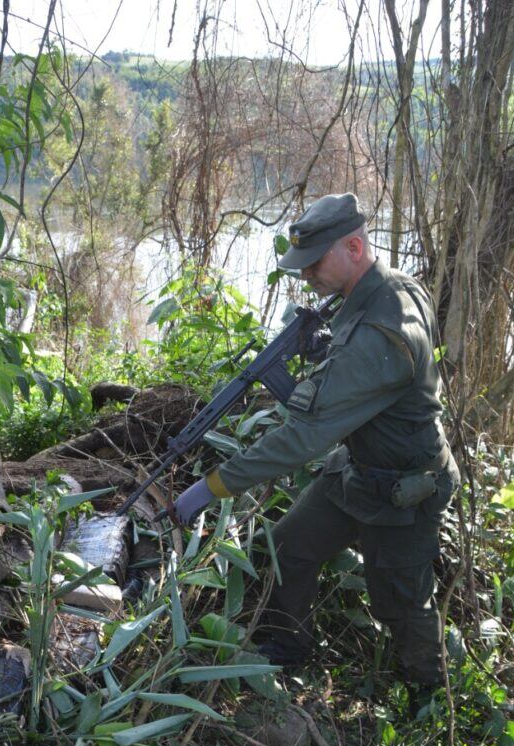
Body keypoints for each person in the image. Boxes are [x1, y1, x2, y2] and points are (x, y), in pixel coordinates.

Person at [172, 193, 459, 713]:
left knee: (399, 603)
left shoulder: (383, 325)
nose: (306, 277)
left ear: (353, 247)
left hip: (403, 488)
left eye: (314, 264)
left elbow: (302, 437)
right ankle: (291, 644)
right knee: (285, 548)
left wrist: (208, 489)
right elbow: (359, 373)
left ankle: (430, 699)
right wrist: (324, 348)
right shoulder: (376, 291)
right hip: (355, 470)